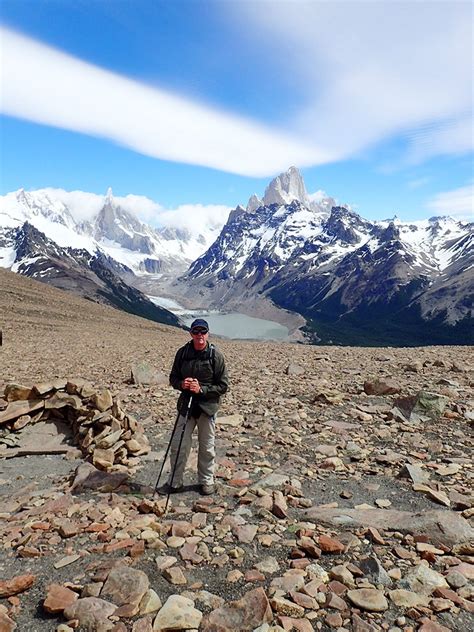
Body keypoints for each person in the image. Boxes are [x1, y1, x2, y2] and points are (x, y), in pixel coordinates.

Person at [158, 318, 229, 496]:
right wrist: (182, 384)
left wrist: (202, 389)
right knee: (179, 445)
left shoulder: (215, 356)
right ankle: (175, 483)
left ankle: (206, 481)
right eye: (196, 332)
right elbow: (173, 378)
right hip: (186, 406)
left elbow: (223, 386)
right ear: (191, 333)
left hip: (207, 407)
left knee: (206, 447)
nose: (199, 335)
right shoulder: (182, 353)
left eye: (202, 332)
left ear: (207, 333)